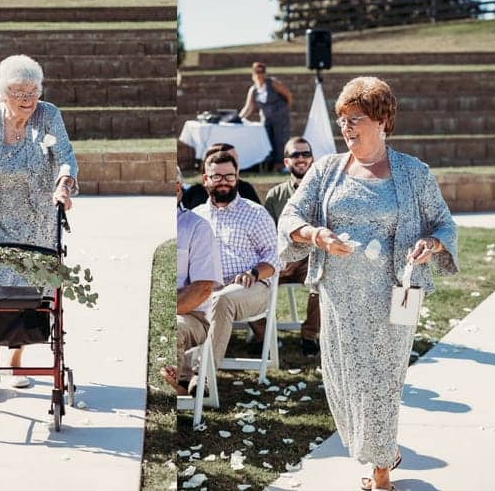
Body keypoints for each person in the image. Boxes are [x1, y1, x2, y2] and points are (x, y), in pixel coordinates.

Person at [278, 76, 458, 491]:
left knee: (382, 380)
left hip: (397, 294)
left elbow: (443, 224)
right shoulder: (325, 170)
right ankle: (382, 449)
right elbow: (290, 217)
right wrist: (316, 235)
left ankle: (380, 473)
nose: (346, 127)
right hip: (339, 297)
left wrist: (430, 244)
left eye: (355, 119)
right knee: (343, 380)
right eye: (342, 120)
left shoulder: (414, 173)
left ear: (382, 120)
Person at [0, 54, 78, 391]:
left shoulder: (49, 114)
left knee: (27, 290)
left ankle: (17, 364)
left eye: (33, 92)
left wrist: (64, 186)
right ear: (2, 94)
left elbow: (66, 158)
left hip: (37, 214)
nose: (28, 100)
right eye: (19, 93)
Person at [194, 151, 279, 372]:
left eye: (230, 176)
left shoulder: (255, 214)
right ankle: (182, 376)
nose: (224, 182)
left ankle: (203, 376)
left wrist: (253, 272)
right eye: (217, 177)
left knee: (222, 299)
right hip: (206, 288)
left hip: (250, 287)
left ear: (237, 176)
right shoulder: (196, 217)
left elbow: (274, 255)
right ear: (206, 179)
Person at [161, 168, 223, 395]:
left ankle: (175, 391)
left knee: (171, 328)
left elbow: (202, 289)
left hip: (191, 316)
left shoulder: (197, 227)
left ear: (177, 188)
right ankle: (179, 384)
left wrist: (159, 314)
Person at [264, 136, 320, 356]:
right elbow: (267, 235)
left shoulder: (323, 193)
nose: (301, 158)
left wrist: (299, 258)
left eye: (305, 154)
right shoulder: (275, 195)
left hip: (311, 261)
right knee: (252, 282)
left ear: (312, 159)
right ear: (286, 162)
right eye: (295, 154)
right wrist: (280, 259)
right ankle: (262, 337)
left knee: (323, 281)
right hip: (280, 262)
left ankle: (309, 336)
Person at [238, 62, 292, 171]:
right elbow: (248, 107)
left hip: (280, 117)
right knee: (268, 141)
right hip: (266, 118)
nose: (259, 75)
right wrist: (238, 118)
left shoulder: (272, 83)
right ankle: (271, 166)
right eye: (257, 72)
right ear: (253, 74)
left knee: (280, 141)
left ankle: (283, 165)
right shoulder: (253, 90)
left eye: (262, 72)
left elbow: (288, 95)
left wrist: (285, 110)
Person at [181, 143, 260, 209]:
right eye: (230, 159)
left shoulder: (245, 188)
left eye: (236, 160)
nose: (237, 165)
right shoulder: (193, 193)